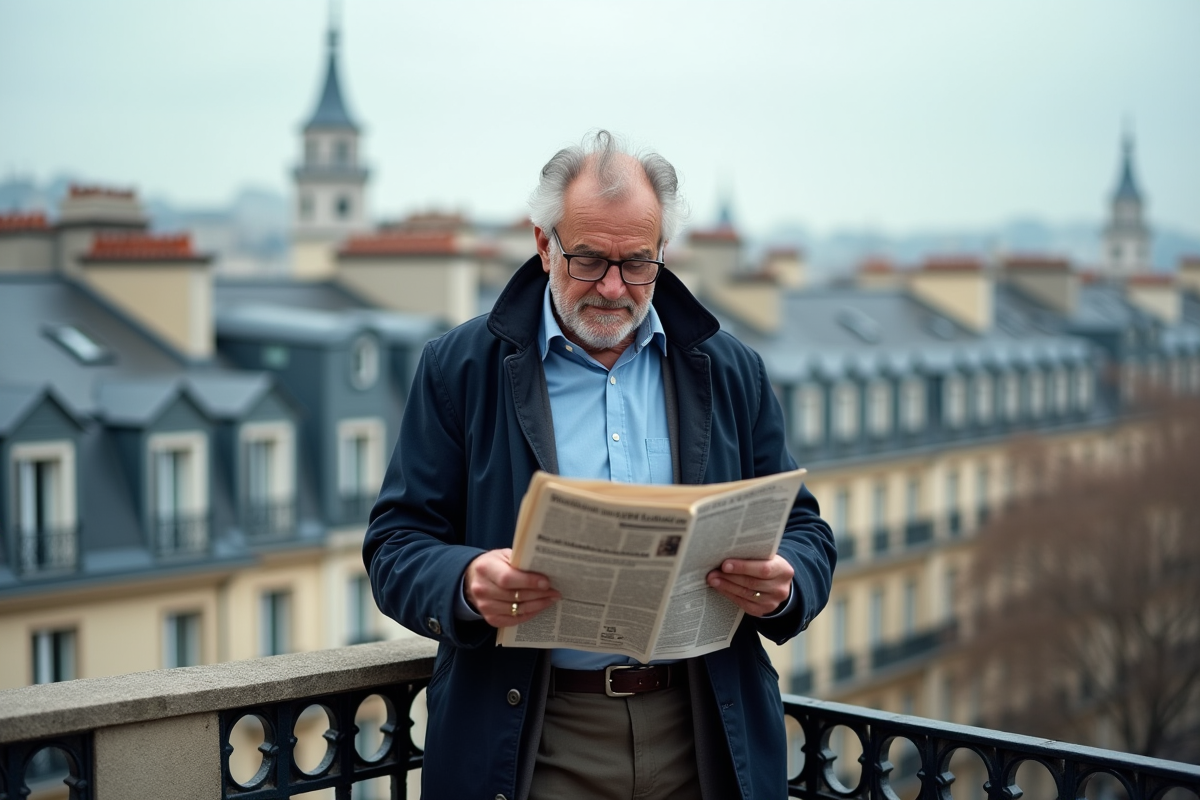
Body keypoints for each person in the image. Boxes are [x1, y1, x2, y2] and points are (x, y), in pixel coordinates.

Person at [364, 130, 835, 800]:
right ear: (542, 243)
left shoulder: (731, 369)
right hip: (531, 735)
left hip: (702, 730)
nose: (614, 288)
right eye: (588, 260)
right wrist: (467, 580)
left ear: (664, 254)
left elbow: (808, 534)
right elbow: (394, 546)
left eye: (638, 263)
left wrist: (787, 582)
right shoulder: (459, 369)